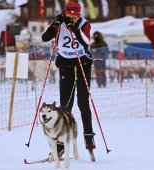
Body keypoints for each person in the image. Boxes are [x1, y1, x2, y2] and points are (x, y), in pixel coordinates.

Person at [42, 1, 96, 160]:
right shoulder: (59, 21)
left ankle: (89, 138)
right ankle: (59, 145)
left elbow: (86, 42)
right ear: (65, 12)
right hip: (65, 65)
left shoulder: (85, 24)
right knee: (65, 107)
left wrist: (75, 29)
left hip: (82, 64)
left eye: (75, 14)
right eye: (69, 13)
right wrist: (55, 25)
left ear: (79, 13)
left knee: (83, 103)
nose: (72, 16)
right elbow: (45, 37)